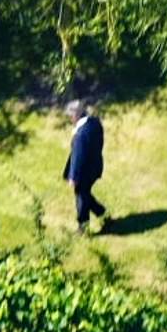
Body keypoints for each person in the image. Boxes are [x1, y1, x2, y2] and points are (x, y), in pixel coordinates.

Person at [62, 100, 107, 235]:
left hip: (84, 171)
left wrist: (73, 177)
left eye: (70, 116)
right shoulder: (94, 123)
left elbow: (78, 156)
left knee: (81, 196)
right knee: (85, 194)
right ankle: (103, 214)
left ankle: (83, 227)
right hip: (95, 166)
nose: (69, 119)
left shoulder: (80, 135)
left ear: (75, 116)